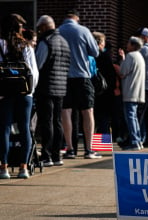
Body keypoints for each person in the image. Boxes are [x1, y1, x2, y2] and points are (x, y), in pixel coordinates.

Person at [59, 9, 102, 159]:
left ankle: (70, 148)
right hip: (82, 75)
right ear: (77, 18)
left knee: (66, 112)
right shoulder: (83, 30)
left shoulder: (58, 31)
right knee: (88, 111)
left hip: (63, 77)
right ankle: (89, 149)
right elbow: (95, 53)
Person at [0, 13, 39, 179]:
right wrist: (30, 90)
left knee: (4, 129)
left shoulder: (0, 45)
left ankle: (4, 167)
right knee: (25, 129)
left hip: (4, 93)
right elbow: (34, 72)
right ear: (19, 28)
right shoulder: (27, 47)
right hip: (25, 93)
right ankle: (23, 167)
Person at [35, 15, 70, 166]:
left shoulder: (46, 42)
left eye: (39, 28)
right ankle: (57, 156)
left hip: (46, 87)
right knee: (57, 122)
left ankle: (46, 155)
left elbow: (38, 65)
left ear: (44, 27)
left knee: (46, 122)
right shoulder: (64, 42)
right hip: (61, 87)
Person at [118, 36, 145, 150]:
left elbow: (122, 72)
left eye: (129, 43)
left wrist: (122, 59)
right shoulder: (140, 56)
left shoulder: (131, 56)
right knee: (134, 117)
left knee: (130, 117)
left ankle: (134, 142)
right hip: (138, 91)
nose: (127, 45)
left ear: (133, 45)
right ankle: (138, 140)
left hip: (130, 91)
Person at [92, 31, 116, 134]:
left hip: (92, 90)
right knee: (104, 118)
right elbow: (111, 75)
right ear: (100, 43)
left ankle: (92, 144)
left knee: (95, 118)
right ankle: (102, 145)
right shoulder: (105, 57)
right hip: (105, 91)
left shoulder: (90, 55)